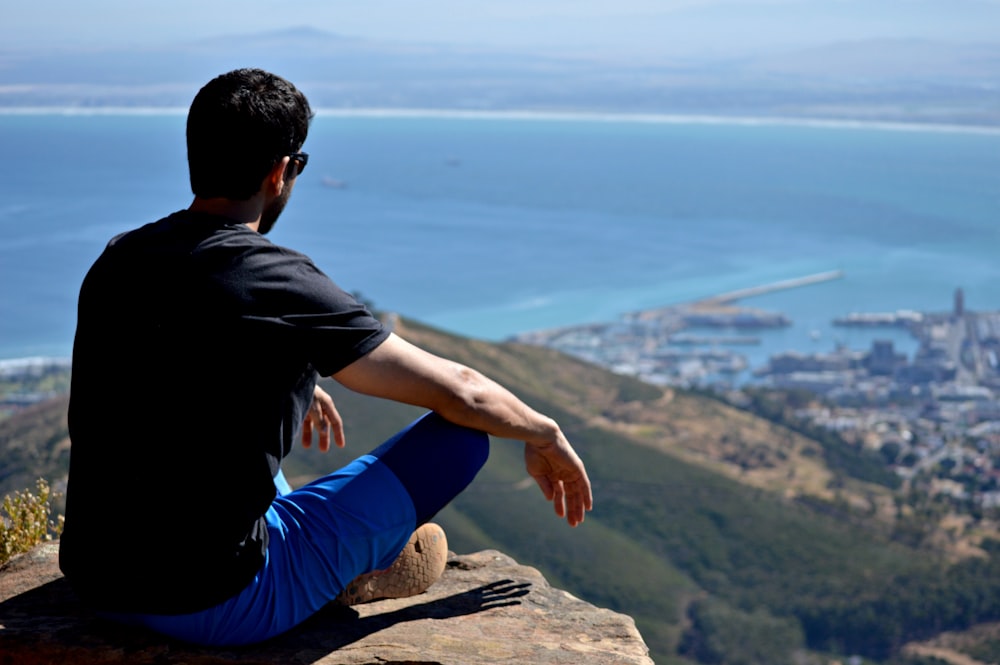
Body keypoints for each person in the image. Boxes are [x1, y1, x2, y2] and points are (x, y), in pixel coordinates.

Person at [59, 68, 592, 647]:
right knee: (461, 439)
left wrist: (295, 373)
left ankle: (353, 549)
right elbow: (461, 392)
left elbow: (167, 360)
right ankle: (353, 569)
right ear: (279, 171)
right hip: (221, 602)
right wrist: (543, 433)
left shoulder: (119, 258)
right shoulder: (276, 279)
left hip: (97, 584)